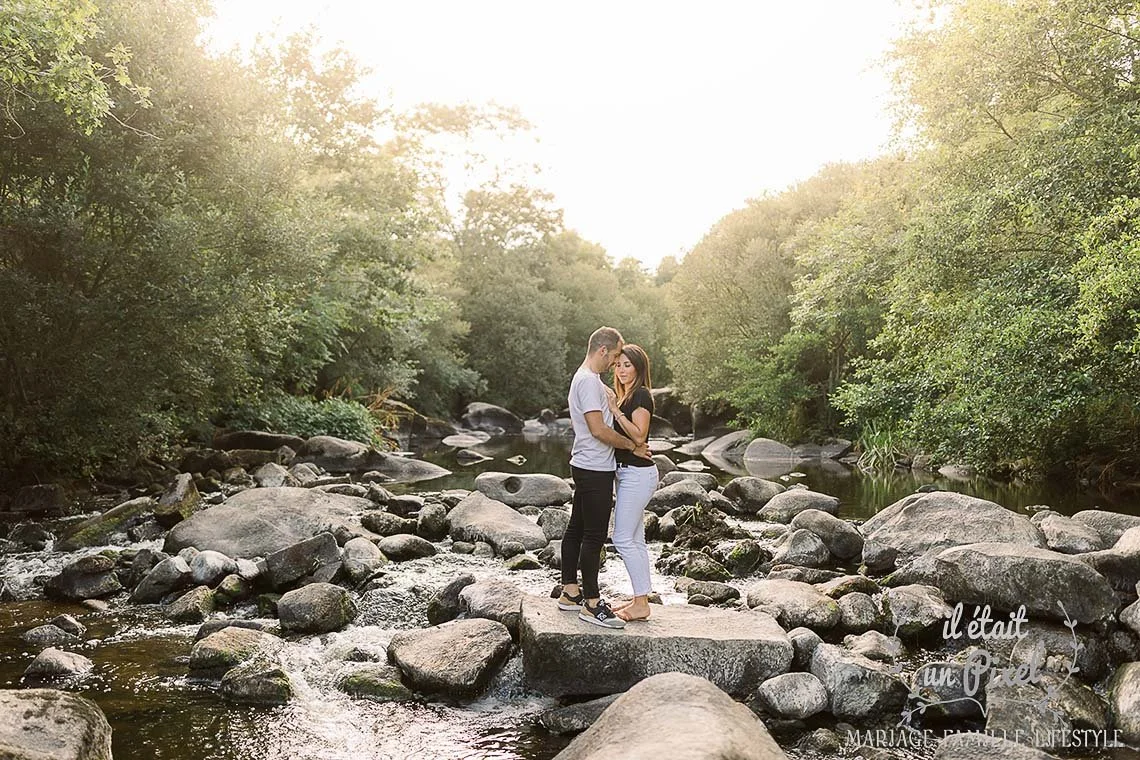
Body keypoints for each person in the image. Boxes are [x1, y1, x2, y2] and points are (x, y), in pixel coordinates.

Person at [558, 326, 651, 629]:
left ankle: (570, 593)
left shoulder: (589, 380)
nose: (614, 363)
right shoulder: (587, 382)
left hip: (586, 464)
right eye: (613, 357)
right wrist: (632, 446)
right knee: (594, 535)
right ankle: (592, 604)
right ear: (602, 350)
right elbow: (598, 430)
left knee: (576, 529)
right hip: (595, 467)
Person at [606, 344, 657, 622]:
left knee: (622, 538)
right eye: (618, 365)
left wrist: (615, 411)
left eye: (627, 365)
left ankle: (641, 605)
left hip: (638, 475)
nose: (622, 370)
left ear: (638, 367)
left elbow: (640, 436)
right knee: (636, 539)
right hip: (628, 473)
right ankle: (640, 599)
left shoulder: (640, 395)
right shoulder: (627, 396)